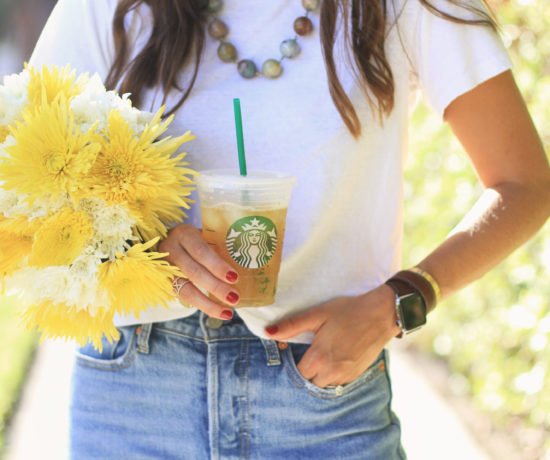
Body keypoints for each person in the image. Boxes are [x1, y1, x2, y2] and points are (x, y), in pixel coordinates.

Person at [29, 0, 550, 458]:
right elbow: (23, 177)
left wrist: (400, 300)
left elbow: (524, 183)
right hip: (134, 390)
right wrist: (144, 247)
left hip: (322, 389)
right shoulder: (110, 6)